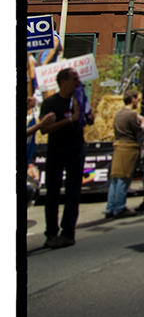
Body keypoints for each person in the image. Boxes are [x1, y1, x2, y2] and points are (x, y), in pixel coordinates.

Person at [32, 67, 89, 248]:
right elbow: (45, 128)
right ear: (63, 82)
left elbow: (90, 119)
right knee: (52, 193)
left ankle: (68, 232)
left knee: (73, 192)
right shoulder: (51, 102)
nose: (77, 82)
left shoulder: (79, 99)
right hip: (56, 150)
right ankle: (51, 233)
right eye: (74, 79)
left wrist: (84, 111)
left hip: (76, 149)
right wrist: (69, 120)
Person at [105, 92, 144, 218]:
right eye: (137, 99)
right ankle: (120, 207)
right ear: (132, 100)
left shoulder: (118, 113)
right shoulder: (131, 114)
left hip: (118, 145)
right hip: (128, 147)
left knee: (115, 178)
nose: (138, 102)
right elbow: (138, 132)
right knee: (124, 178)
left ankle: (110, 207)